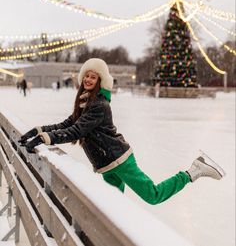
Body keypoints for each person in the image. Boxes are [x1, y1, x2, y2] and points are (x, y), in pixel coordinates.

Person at [18, 58, 225, 205]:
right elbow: (67, 124)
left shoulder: (99, 105)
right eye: (86, 76)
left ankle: (193, 171)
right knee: (112, 206)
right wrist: (38, 131)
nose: (88, 80)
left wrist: (44, 138)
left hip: (120, 160)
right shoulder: (85, 102)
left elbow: (76, 130)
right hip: (106, 165)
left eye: (93, 77)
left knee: (153, 196)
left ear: (100, 81)